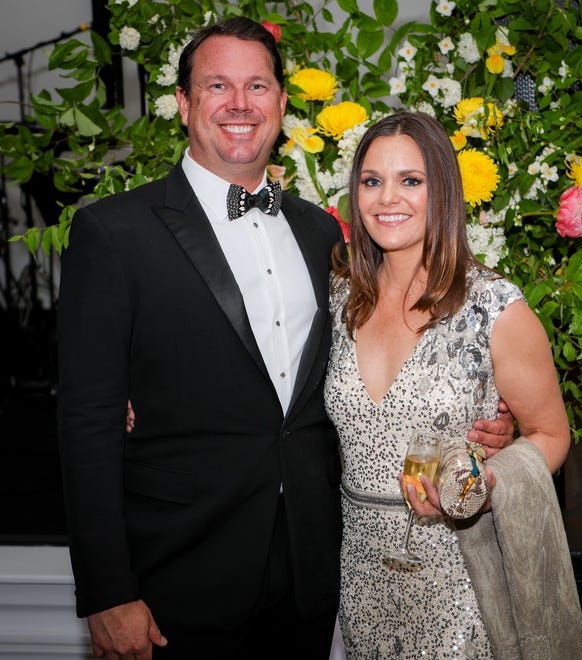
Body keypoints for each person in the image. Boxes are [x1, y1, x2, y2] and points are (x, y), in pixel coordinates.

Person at [57, 19, 514, 660]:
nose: (239, 104)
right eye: (217, 85)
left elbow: (378, 364)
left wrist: (489, 421)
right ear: (185, 104)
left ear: (280, 104)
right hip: (175, 579)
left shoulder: (320, 234)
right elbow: (85, 422)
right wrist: (107, 592)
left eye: (257, 86)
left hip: (311, 574)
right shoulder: (113, 233)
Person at [325, 111, 582, 658]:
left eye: (411, 180)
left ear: (442, 190)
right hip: (358, 576)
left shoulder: (494, 308)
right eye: (372, 181)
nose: (386, 198)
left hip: (462, 574)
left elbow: (551, 435)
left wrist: (484, 485)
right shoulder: (338, 298)